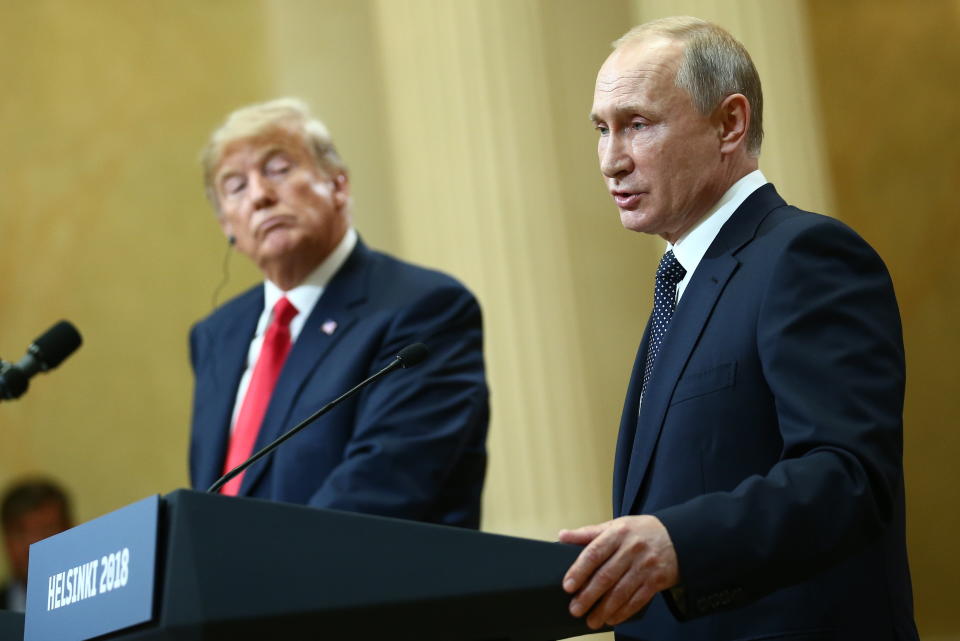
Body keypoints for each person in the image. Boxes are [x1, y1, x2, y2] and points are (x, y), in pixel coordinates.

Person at [559, 17, 917, 641]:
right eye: (601, 129)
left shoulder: (805, 257)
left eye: (637, 124)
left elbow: (847, 477)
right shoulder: (684, 281)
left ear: (730, 123)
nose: (611, 161)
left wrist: (681, 543)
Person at [190, 98, 489, 529]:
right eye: (235, 186)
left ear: (339, 185)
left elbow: (384, 486)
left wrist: (254, 572)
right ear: (227, 227)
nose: (260, 195)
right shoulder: (216, 336)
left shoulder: (425, 308)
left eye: (278, 169)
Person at [1, 478, 73, 612]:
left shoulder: (99, 604)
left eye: (47, 530)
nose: (33, 545)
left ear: (70, 531)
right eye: (20, 533)